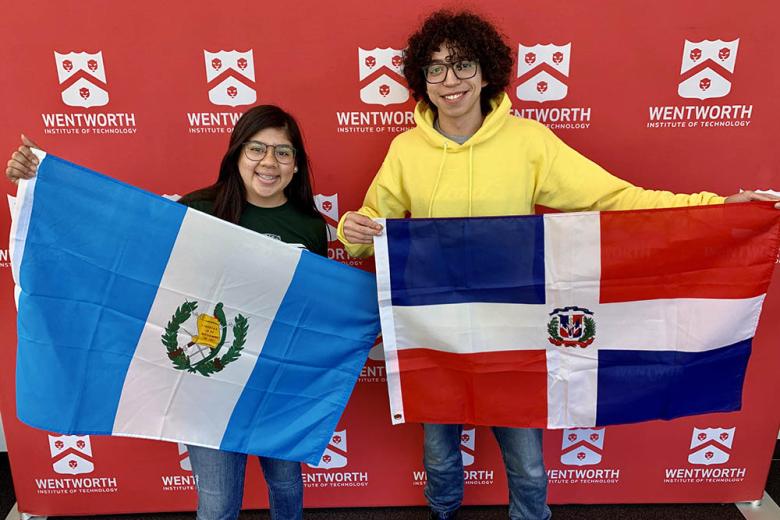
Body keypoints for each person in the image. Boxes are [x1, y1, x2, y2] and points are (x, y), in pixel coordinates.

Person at [337, 10, 778, 520]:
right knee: (439, 456)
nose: (450, 81)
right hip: (438, 330)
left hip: (516, 325)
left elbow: (616, 198)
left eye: (462, 65)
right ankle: (443, 513)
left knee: (525, 462)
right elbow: (370, 230)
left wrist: (718, 208)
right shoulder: (405, 150)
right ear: (422, 81)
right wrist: (355, 226)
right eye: (435, 69)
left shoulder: (530, 142)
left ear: (486, 72)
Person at [6, 105, 326, 520]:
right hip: (209, 384)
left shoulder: (310, 225)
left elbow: (316, 308)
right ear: (236, 155)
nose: (269, 162)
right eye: (257, 149)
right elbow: (115, 231)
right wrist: (40, 182)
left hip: (279, 384)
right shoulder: (198, 210)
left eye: (283, 152)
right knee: (217, 502)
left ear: (297, 164)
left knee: (286, 487)